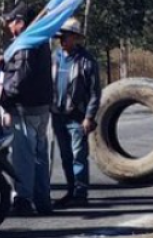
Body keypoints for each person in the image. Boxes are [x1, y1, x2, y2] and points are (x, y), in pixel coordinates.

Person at [0, 4, 54, 216]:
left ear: (20, 22)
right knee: (40, 155)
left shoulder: (26, 43)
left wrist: (4, 100)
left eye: (12, 22)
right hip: (42, 107)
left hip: (25, 108)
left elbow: (21, 76)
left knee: (23, 157)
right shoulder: (42, 41)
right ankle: (43, 200)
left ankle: (23, 199)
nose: (9, 26)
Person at [50, 18, 101, 208]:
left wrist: (89, 117)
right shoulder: (54, 58)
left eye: (66, 36)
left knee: (79, 155)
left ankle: (81, 192)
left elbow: (95, 92)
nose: (62, 39)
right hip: (57, 115)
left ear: (75, 38)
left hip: (78, 117)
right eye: (60, 36)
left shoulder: (87, 61)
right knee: (65, 156)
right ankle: (71, 190)